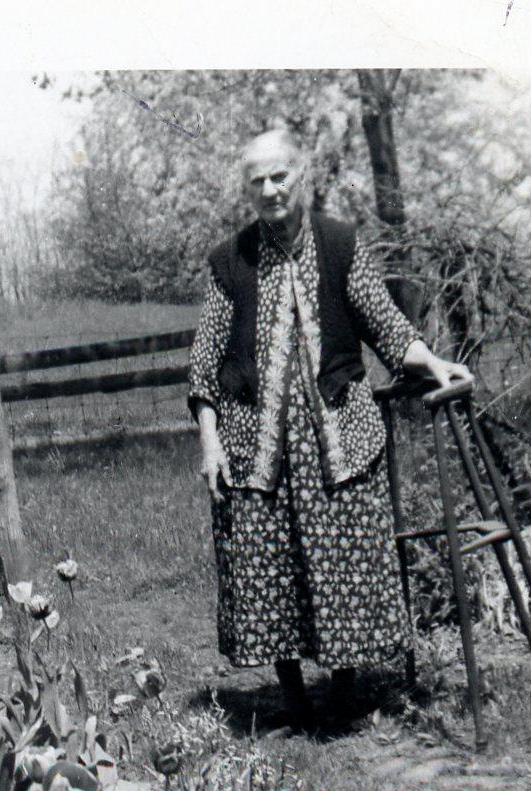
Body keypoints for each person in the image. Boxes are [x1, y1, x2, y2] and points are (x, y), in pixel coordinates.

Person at [187, 128, 471, 731]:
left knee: (341, 563)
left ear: (302, 173)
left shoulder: (341, 245)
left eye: (279, 176)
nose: (269, 190)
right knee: (269, 563)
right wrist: (210, 440)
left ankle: (343, 696)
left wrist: (433, 362)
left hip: (336, 437)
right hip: (253, 446)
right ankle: (292, 699)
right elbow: (205, 360)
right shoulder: (228, 261)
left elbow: (386, 325)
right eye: (257, 180)